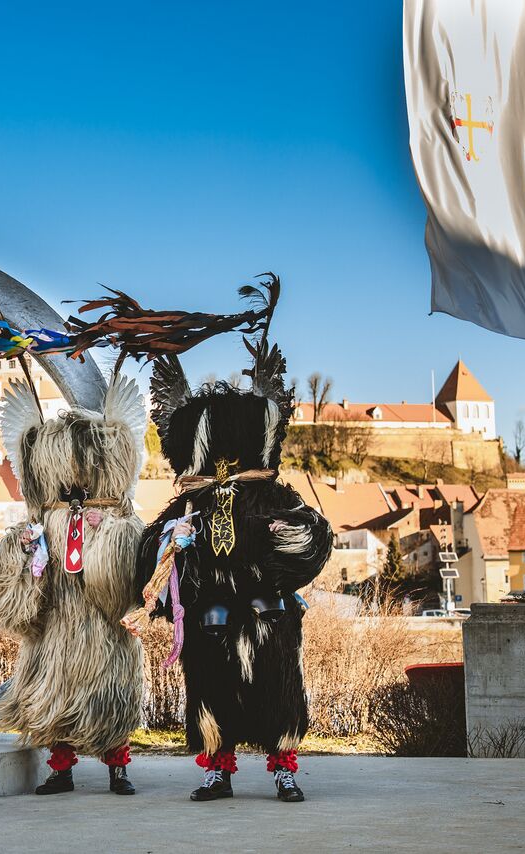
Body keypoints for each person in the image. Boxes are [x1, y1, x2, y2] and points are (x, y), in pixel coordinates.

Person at [138, 303, 332, 803]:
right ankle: (217, 768)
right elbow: (149, 561)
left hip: (267, 609)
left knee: (277, 673)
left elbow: (313, 539)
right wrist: (169, 549)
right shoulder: (189, 505)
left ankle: (284, 765)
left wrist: (288, 535)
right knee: (208, 671)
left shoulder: (273, 497)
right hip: (212, 614)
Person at [0, 371, 149, 795]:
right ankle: (61, 769)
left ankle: (118, 768)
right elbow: (13, 568)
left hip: (103, 625)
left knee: (110, 693)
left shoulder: (118, 515)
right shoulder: (46, 518)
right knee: (53, 692)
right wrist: (21, 548)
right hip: (56, 622)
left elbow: (135, 560)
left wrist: (109, 534)